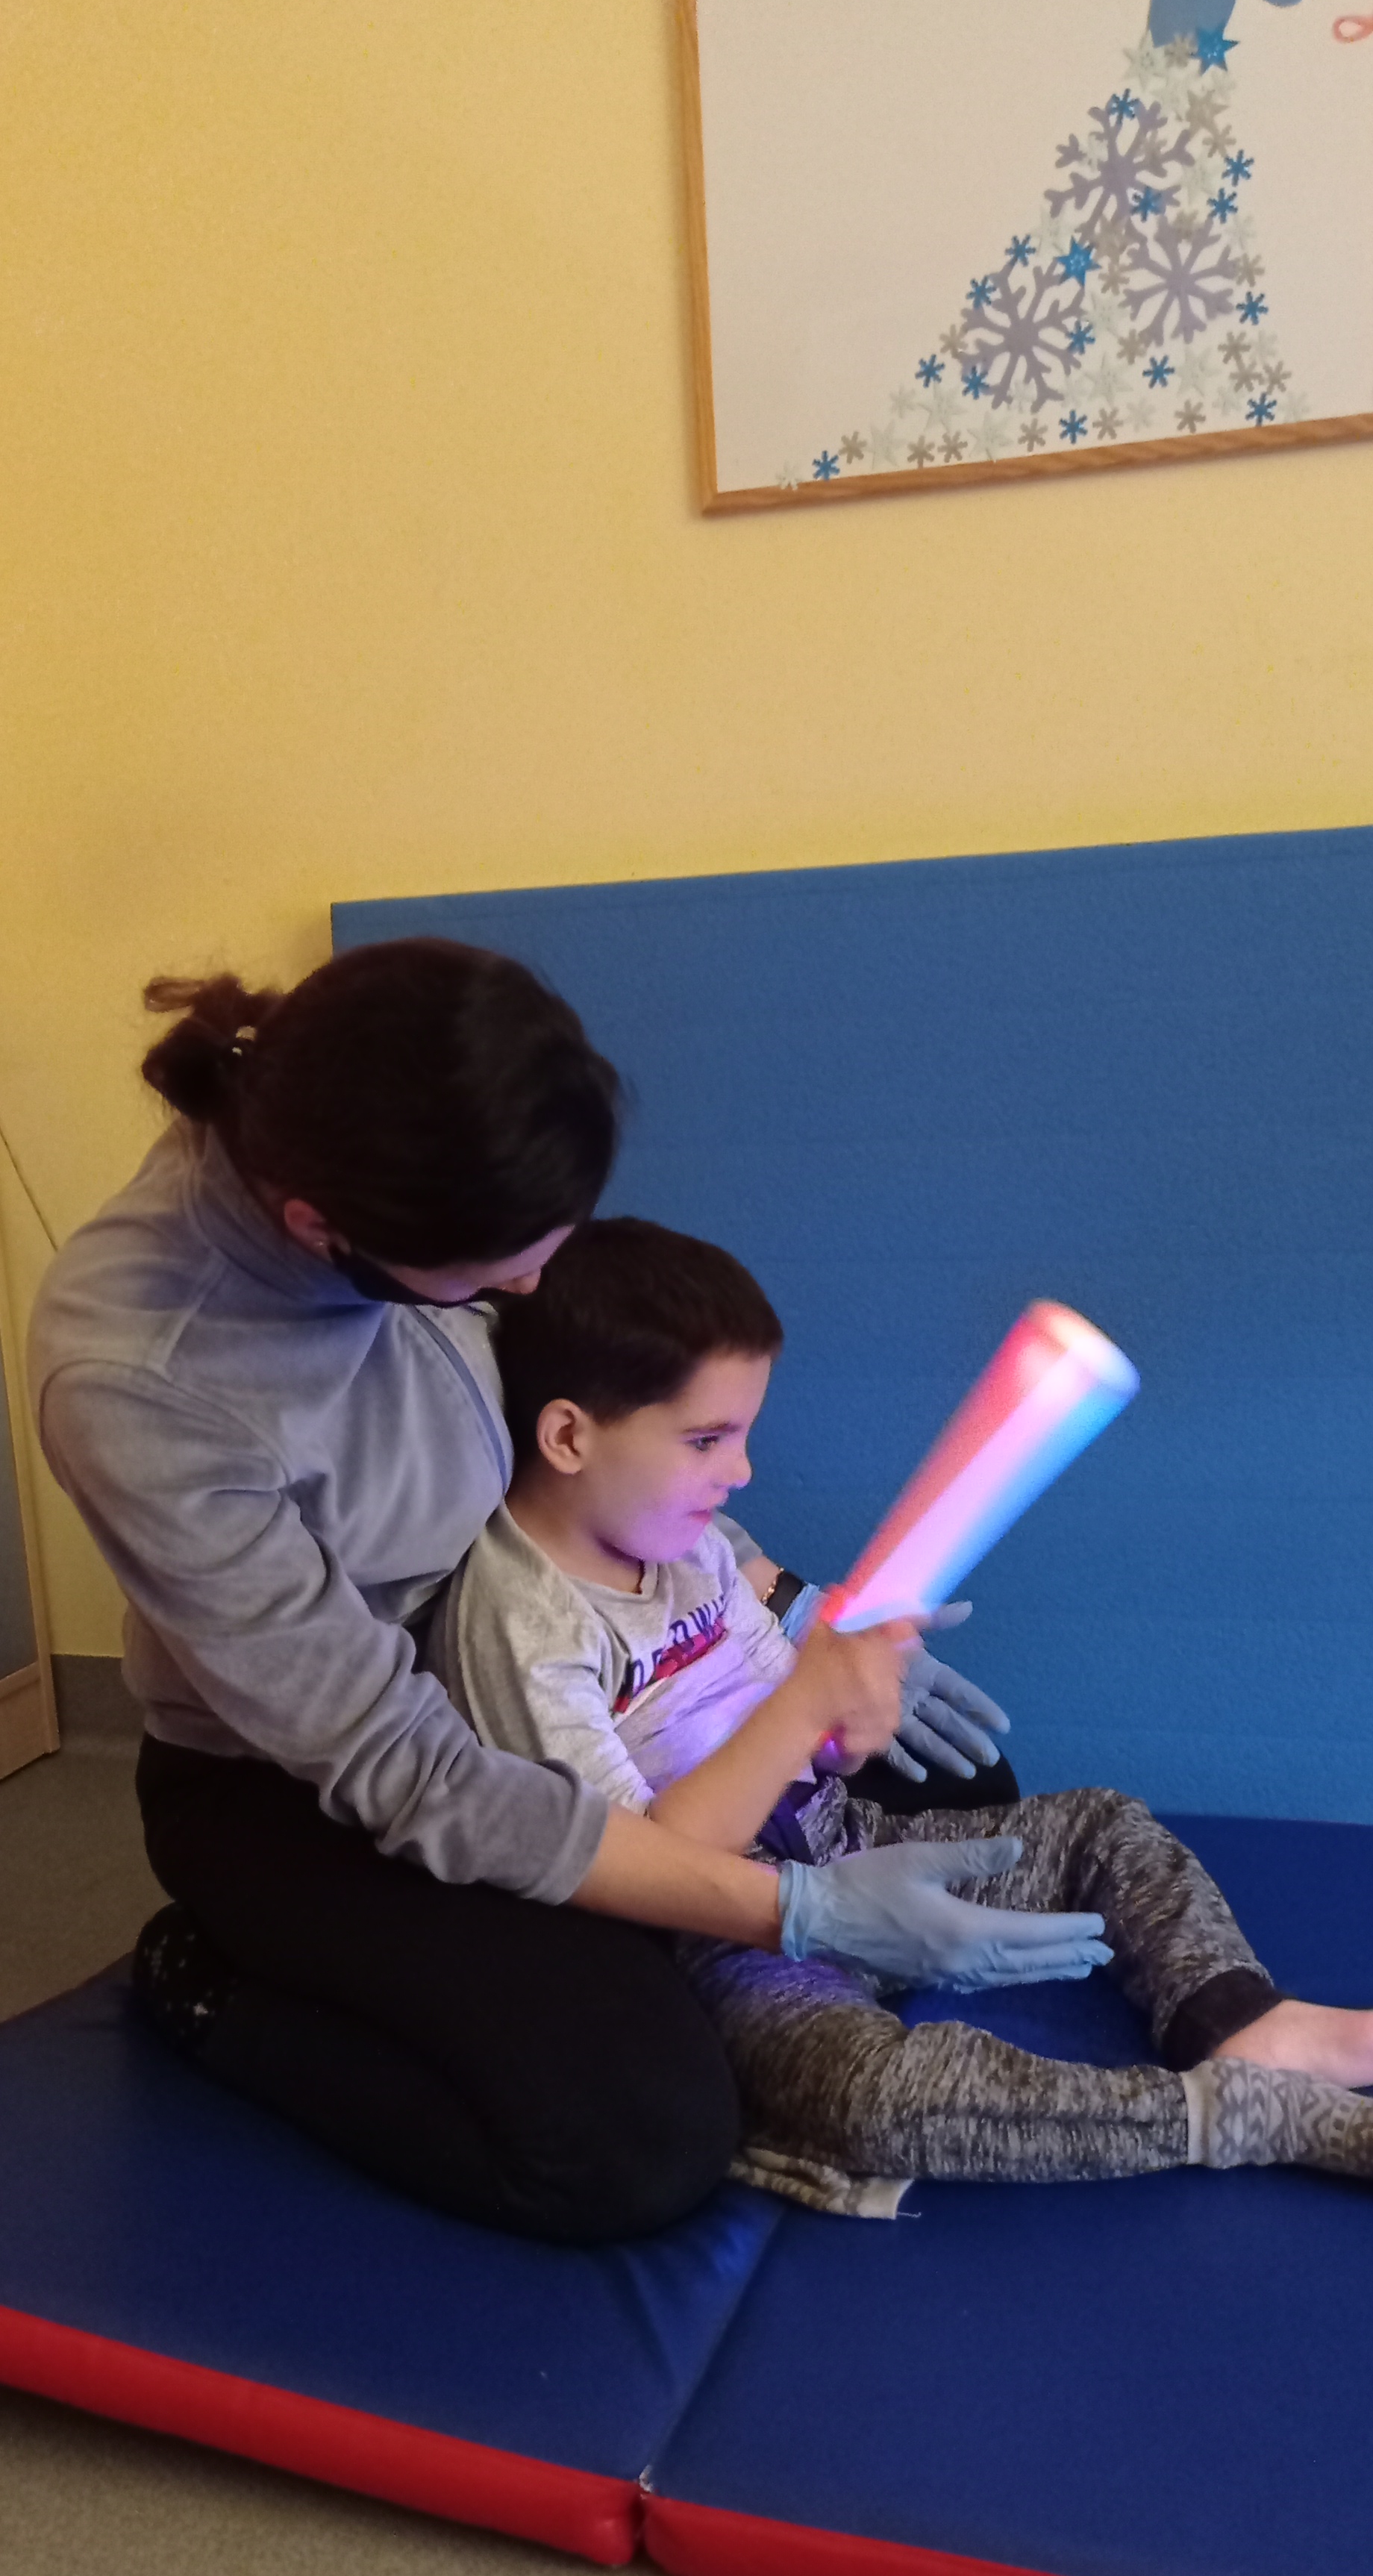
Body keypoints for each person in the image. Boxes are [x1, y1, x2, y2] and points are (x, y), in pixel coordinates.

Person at [29, 940, 1099, 2247]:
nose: (532, 1292)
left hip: (548, 1656)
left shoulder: (408, 1132)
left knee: (954, 1788)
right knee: (639, 2139)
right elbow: (408, 1771)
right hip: (310, 1786)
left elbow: (598, 1427)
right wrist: (797, 1910)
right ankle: (211, 1985)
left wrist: (785, 1605)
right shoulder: (144, 1382)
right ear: (323, 1232)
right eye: (496, 1274)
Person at [441, 1215, 1373, 2213]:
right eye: (708, 1439)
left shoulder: (692, 1548)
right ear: (569, 1436)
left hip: (848, 1845)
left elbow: (822, 1753)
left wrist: (854, 1706)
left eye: (744, 1433)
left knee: (1105, 1825)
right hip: (733, 1941)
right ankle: (1229, 2115)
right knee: (873, 2100)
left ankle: (1239, 2020)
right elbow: (639, 1866)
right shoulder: (521, 1620)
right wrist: (808, 1701)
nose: (742, 1472)